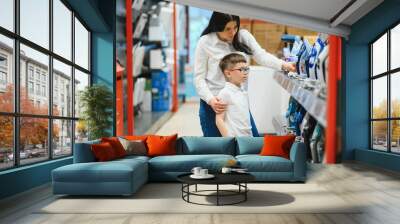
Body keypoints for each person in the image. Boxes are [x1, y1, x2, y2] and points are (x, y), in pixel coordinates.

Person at [194, 11, 295, 137]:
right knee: (218, 150)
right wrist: (211, 100)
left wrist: (284, 65)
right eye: (228, 29)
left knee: (251, 146)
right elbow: (199, 78)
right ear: (217, 27)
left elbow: (261, 56)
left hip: (238, 103)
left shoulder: (243, 36)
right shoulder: (205, 42)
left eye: (235, 27)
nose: (233, 32)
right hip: (214, 105)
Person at [216, 53, 252, 137]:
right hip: (235, 140)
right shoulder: (225, 93)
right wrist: (230, 140)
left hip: (248, 137)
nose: (245, 73)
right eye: (241, 69)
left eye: (246, 69)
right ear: (228, 74)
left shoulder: (243, 91)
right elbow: (219, 120)